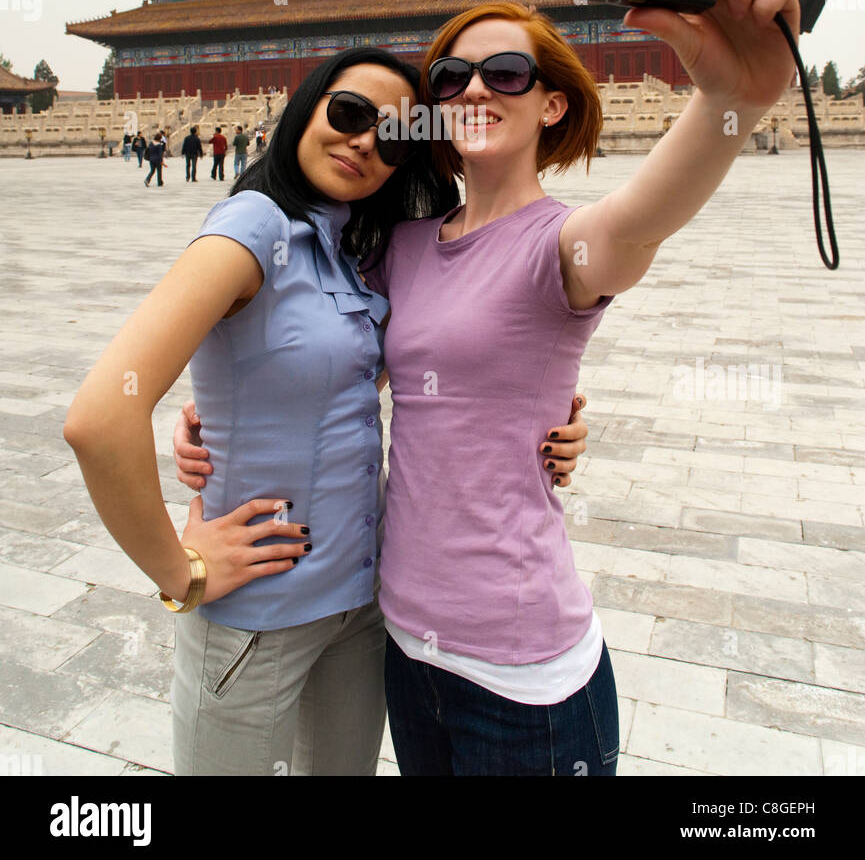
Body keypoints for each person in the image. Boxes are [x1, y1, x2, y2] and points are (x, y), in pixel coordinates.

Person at [180, 0, 800, 776]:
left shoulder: (563, 244)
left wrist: (731, 103)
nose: (474, 88)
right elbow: (323, 357)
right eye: (450, 77)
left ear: (550, 104)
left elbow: (638, 221)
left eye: (506, 72)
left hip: (524, 676)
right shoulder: (397, 248)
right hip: (401, 646)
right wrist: (212, 423)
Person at [65, 47, 586, 779]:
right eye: (348, 113)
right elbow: (98, 414)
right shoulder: (254, 225)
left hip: (361, 609)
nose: (367, 140)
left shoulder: (352, 246)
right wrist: (176, 568)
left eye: (395, 136)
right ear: (304, 108)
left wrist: (548, 424)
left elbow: (394, 373)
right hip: (258, 616)